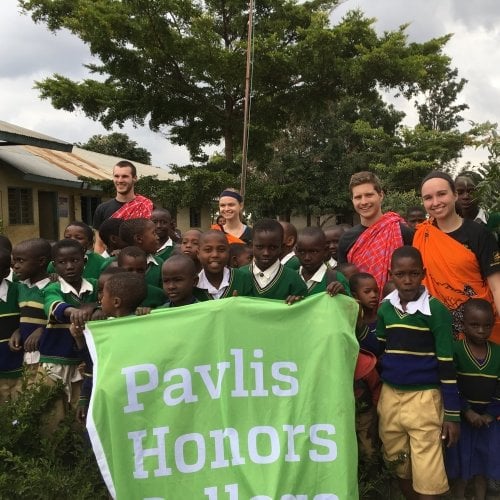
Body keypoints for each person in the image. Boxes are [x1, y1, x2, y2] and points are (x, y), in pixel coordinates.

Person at [376, 246, 460, 499]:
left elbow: (447, 363)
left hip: (425, 399)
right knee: (398, 464)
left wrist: (453, 415)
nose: (408, 280)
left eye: (414, 273)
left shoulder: (437, 312)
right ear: (391, 275)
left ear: (423, 273)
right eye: (401, 274)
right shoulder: (385, 309)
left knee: (428, 472)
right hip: (391, 396)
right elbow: (381, 351)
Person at [413, 170, 500, 342]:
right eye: (428, 198)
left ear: (454, 195)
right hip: (436, 327)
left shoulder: (480, 235)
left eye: (442, 194)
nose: (435, 202)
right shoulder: (421, 235)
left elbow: (497, 286)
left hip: (479, 328)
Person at [39, 239, 98, 426]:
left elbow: (107, 302)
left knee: (80, 416)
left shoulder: (95, 286)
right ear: (54, 265)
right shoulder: (53, 288)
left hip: (83, 364)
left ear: (84, 261)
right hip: (54, 363)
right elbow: (53, 305)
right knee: (52, 418)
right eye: (62, 263)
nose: (69, 266)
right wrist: (74, 311)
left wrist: (93, 306)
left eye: (75, 260)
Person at [445, 299, 500, 500]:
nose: (481, 330)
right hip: (462, 420)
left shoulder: (497, 352)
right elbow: (451, 385)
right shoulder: (455, 350)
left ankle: (480, 496)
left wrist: (489, 414)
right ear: (463, 325)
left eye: (487, 326)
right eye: (474, 325)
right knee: (460, 465)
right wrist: (466, 410)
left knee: (483, 465)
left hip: (487, 422)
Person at [75, 272, 147, 422]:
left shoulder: (144, 323)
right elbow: (93, 366)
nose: (99, 299)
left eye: (103, 295)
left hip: (130, 395)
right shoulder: (100, 327)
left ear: (116, 302)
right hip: (119, 397)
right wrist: (79, 337)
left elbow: (94, 365)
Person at [338, 171, 413, 297]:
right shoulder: (346, 239)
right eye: (358, 197)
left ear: (381, 195)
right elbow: (343, 281)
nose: (364, 202)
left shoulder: (401, 232)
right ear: (352, 200)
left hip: (398, 307)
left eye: (369, 195)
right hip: (360, 311)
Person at [9, 239, 52, 376]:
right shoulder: (20, 288)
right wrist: (18, 330)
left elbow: (61, 320)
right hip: (26, 356)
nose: (15, 266)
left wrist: (41, 330)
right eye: (14, 261)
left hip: (47, 356)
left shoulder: (53, 288)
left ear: (41, 261)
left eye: (21, 261)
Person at [239, 218, 307, 303]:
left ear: (281, 247)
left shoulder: (294, 279)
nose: (266, 253)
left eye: (273, 247)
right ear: (251, 246)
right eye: (260, 247)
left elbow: (305, 310)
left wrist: (298, 302)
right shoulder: (240, 275)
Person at [92, 160, 154, 253]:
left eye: (125, 176)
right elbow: (99, 245)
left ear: (135, 178)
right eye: (116, 176)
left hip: (141, 261)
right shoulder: (102, 209)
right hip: (111, 263)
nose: (120, 180)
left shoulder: (146, 205)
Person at [194, 230, 253, 301]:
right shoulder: (192, 284)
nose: (215, 255)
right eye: (208, 250)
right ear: (198, 253)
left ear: (228, 252)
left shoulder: (243, 278)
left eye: (221, 250)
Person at [295, 227, 350, 296]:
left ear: (325, 251)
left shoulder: (335, 278)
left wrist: (343, 292)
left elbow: (351, 304)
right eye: (302, 252)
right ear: (296, 251)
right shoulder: (291, 278)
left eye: (314, 252)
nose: (307, 258)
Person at [0, 248, 21, 402]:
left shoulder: (18, 291)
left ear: (6, 271)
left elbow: (31, 319)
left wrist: (20, 330)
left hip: (17, 372)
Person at [118, 218, 162, 287]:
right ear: (139, 238)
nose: (158, 237)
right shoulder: (112, 263)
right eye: (154, 233)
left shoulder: (159, 264)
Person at [455, 173, 500, 238]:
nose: (465, 197)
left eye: (471, 191)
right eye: (459, 192)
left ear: (481, 192)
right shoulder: (448, 226)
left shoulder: (496, 219)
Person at [349, 272, 381, 356]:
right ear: (354, 295)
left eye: (376, 291)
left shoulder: (382, 319)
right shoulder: (351, 323)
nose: (373, 295)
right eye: (367, 292)